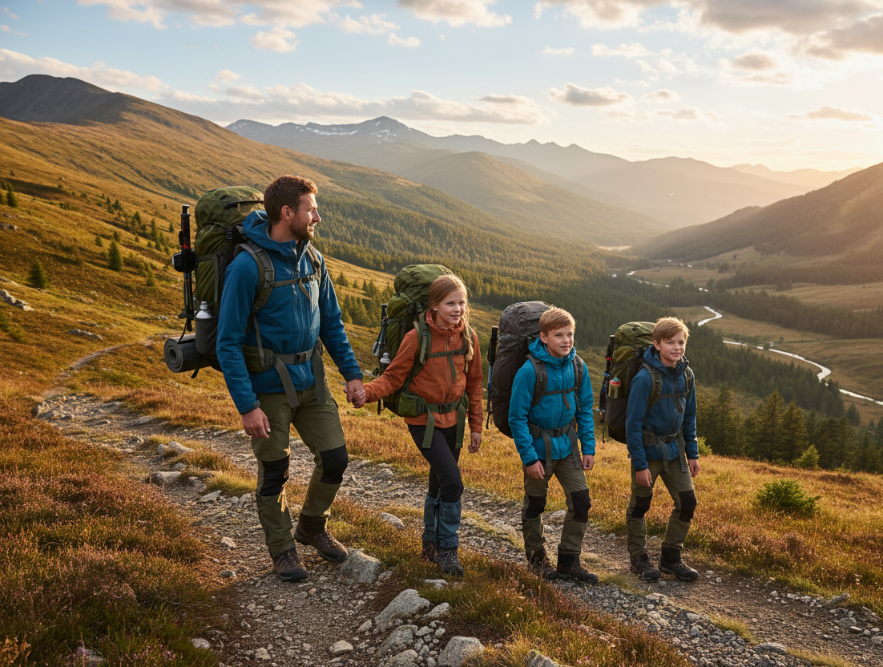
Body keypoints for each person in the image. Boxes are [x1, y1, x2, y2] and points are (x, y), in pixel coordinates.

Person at [216, 175, 366, 583]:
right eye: (310, 209)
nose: (317, 216)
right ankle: (282, 549)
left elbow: (331, 323)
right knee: (275, 470)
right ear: (287, 213)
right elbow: (228, 342)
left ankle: (312, 527)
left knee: (335, 458)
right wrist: (247, 405)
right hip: (268, 386)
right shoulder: (248, 266)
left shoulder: (313, 259)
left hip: (312, 380)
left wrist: (352, 375)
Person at [362, 275, 483, 576]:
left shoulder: (468, 336)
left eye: (461, 303)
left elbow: (476, 382)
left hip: (454, 420)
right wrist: (367, 393)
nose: (457, 309)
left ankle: (429, 544)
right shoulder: (416, 337)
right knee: (453, 481)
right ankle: (447, 550)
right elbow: (393, 377)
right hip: (423, 420)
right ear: (434, 305)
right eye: (450, 303)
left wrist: (476, 426)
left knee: (439, 481)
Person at [509, 308, 598, 584]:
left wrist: (589, 448)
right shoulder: (529, 371)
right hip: (538, 449)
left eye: (570, 334)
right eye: (558, 335)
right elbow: (517, 417)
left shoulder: (578, 366)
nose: (566, 340)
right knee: (536, 504)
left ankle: (569, 561)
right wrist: (528, 457)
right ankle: (536, 560)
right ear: (543, 337)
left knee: (581, 502)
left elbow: (584, 410)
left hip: (568, 446)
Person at [624, 316, 700, 582]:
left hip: (675, 450)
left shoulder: (687, 374)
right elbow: (631, 425)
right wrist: (640, 465)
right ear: (656, 344)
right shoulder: (645, 378)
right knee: (641, 505)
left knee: (687, 503)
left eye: (681, 342)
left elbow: (689, 417)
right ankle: (639, 559)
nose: (677, 348)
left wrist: (693, 453)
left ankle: (670, 558)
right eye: (670, 342)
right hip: (647, 452)